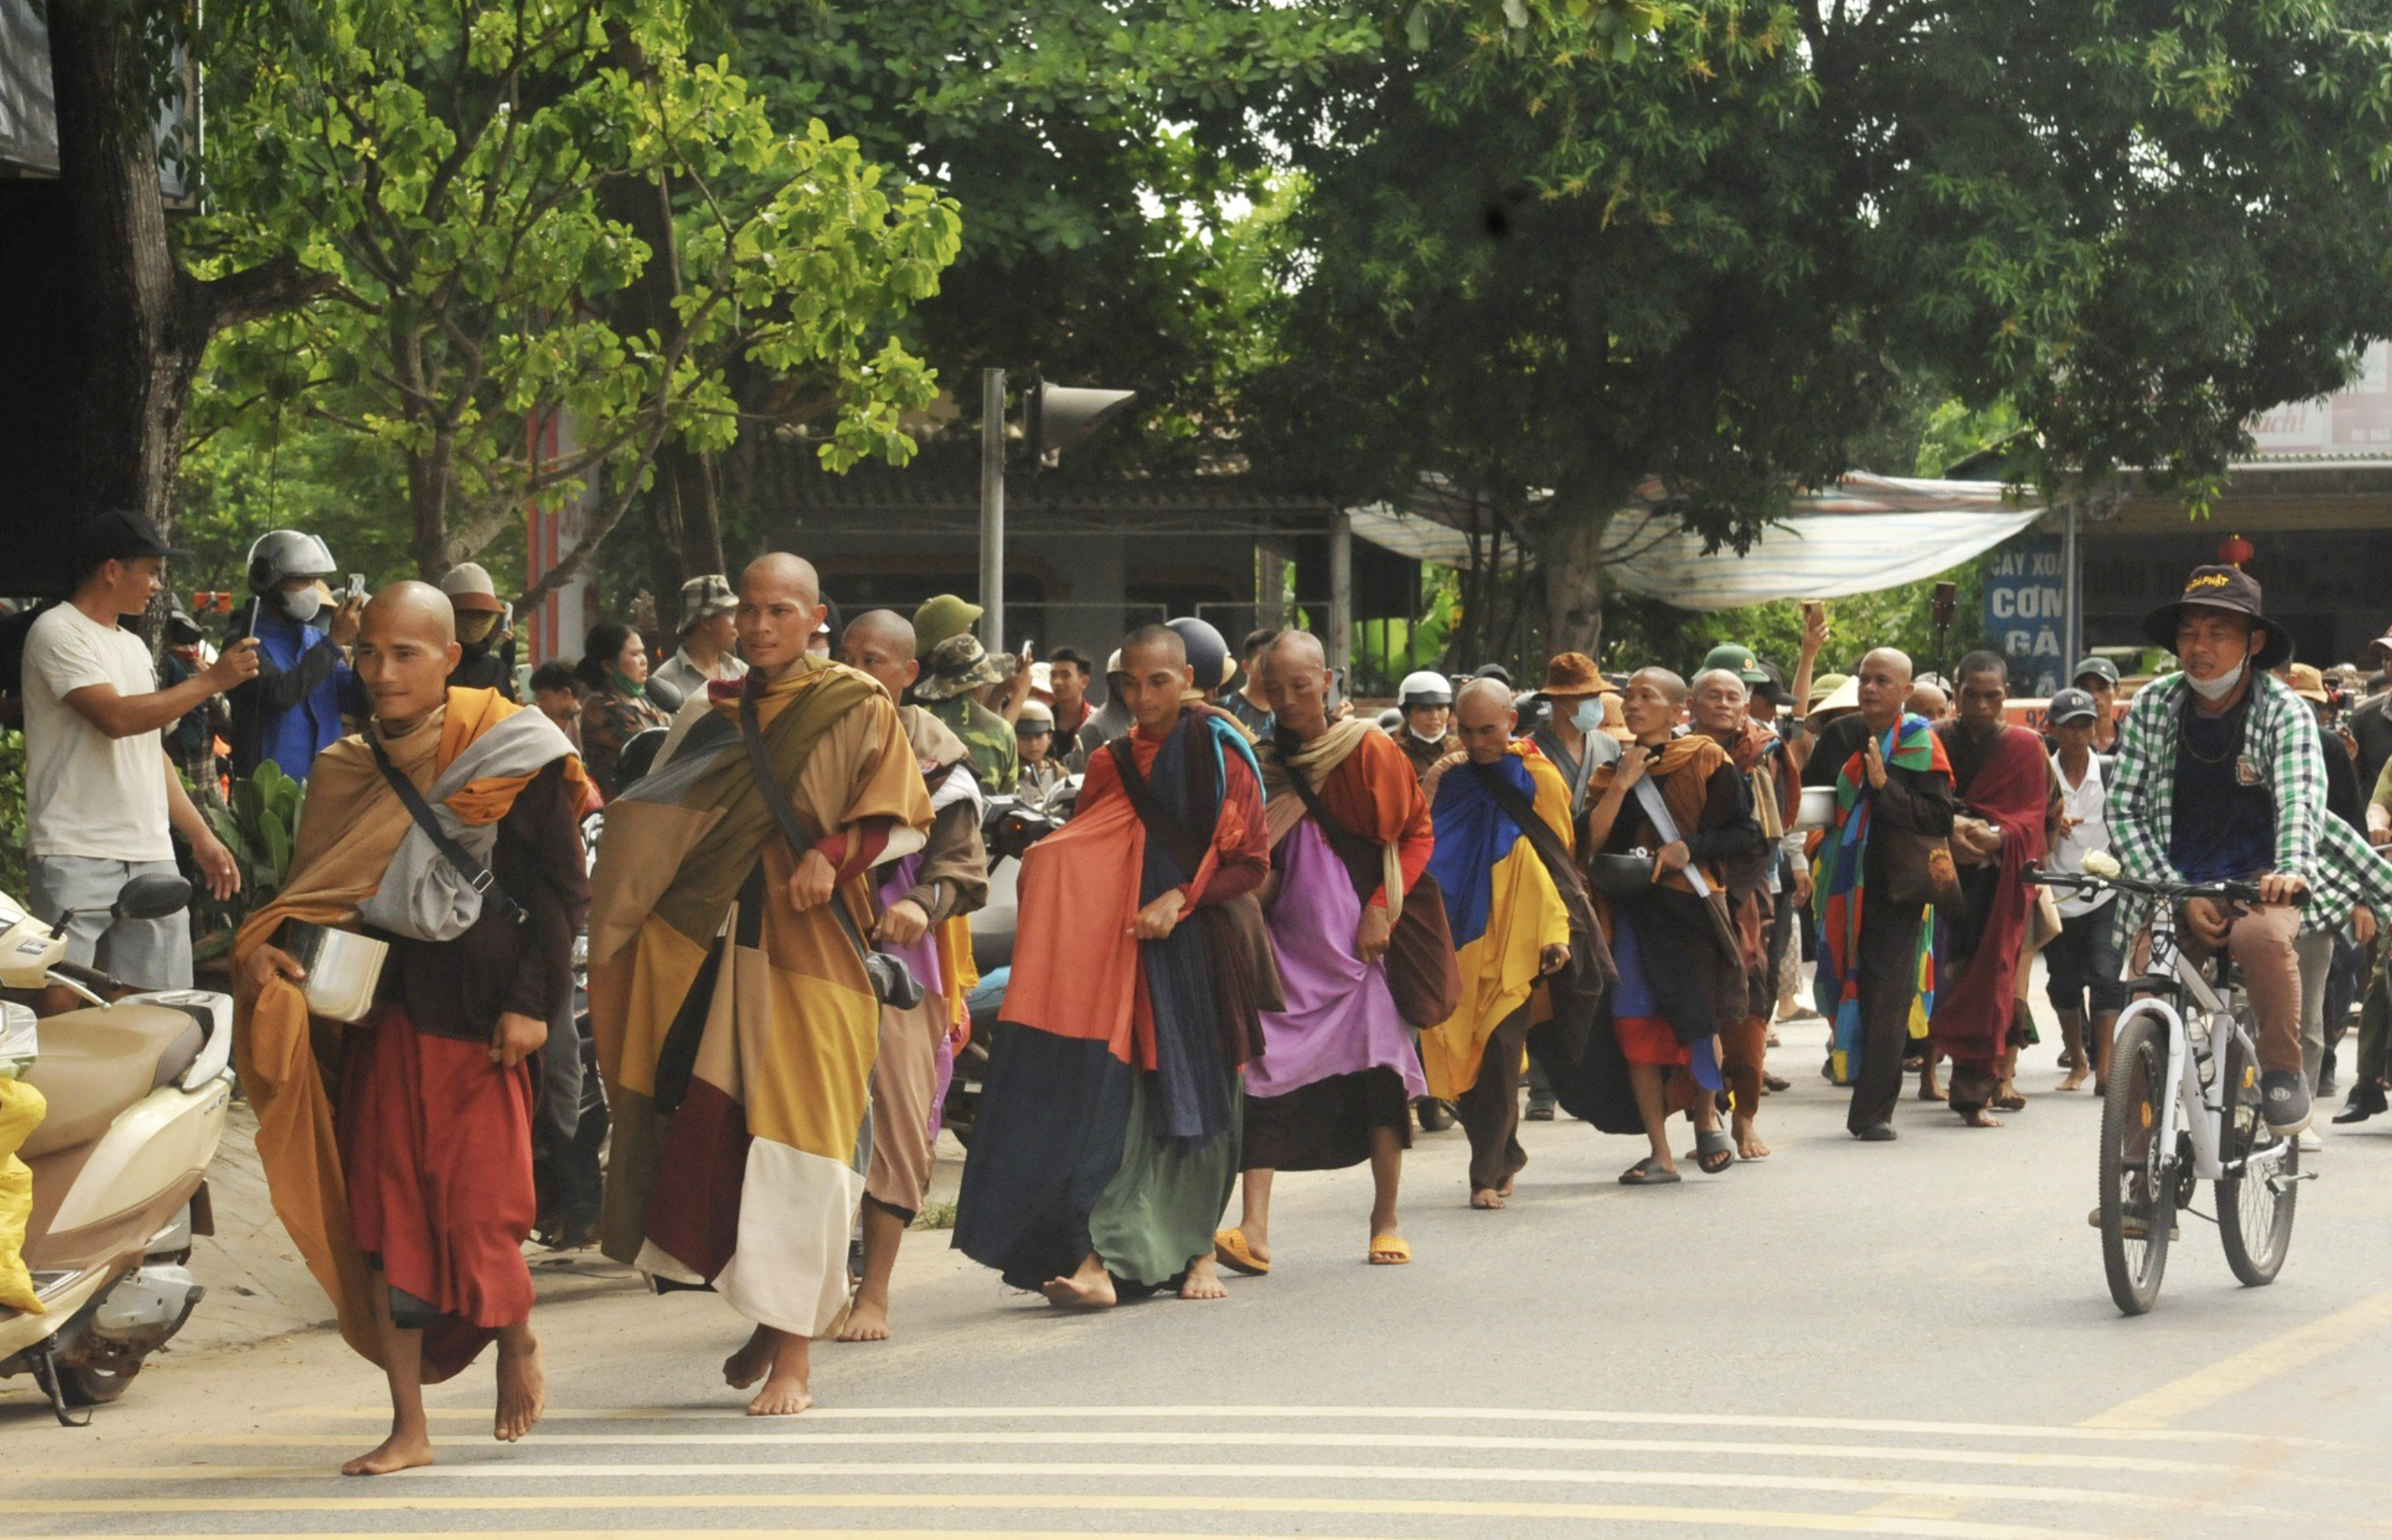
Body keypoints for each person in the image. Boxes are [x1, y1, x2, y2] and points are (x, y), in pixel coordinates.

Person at [234, 582, 588, 1475]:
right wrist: (273, 951)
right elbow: (318, 892)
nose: (383, 670)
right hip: (381, 1017)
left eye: (407, 653)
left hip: (482, 1019)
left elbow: (559, 893)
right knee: (385, 1223)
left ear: (449, 660)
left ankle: (515, 1337)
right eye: (370, 652)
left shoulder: (515, 748)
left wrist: (532, 1004)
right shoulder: (347, 767)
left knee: (480, 1209)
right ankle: (408, 1426)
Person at [590, 554, 933, 1416]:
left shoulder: (856, 703)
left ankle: (793, 1361)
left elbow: (899, 816)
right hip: (713, 947)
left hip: (815, 953)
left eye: (780, 608)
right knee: (723, 1134)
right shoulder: (708, 714)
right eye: (748, 609)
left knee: (805, 1143)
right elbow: (654, 813)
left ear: (815, 615)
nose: (760, 623)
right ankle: (768, 1321)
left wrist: (829, 855)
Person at [953, 624, 1270, 1306]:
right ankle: (1100, 1259)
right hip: (1126, 954)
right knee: (1127, 1102)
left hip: (1203, 947)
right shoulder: (1110, 761)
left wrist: (1180, 900)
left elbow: (1251, 864)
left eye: (1161, 680)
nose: (1146, 694)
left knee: (1208, 1100)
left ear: (1187, 679)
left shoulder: (1222, 751)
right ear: (1118, 687)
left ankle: (1195, 1252)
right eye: (1133, 683)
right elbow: (1098, 848)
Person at [2107, 566, 2392, 1138]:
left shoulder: (2284, 712)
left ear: (2254, 643)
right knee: (2146, 998)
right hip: (2175, 882)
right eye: (2189, 632)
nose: (2200, 647)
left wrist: (2289, 871)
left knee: (2261, 939)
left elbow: (2300, 804)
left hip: (2263, 881)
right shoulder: (2153, 706)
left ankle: (2284, 1075)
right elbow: (2124, 810)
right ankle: (2137, 1171)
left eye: (2218, 632)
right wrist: (2177, 892)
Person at [1217, 631, 1440, 1275]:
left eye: (1301, 684)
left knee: (1379, 1083)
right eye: (1275, 687)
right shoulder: (1261, 759)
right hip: (1286, 947)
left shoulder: (1367, 747)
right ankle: (1253, 1228)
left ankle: (1385, 1220)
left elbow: (1416, 835)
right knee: (1265, 1077)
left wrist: (1379, 910)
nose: (1289, 700)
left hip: (1360, 951)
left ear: (1329, 679)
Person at [836, 609, 988, 1343]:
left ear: (908, 674)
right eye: (847, 657)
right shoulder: (802, 739)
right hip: (809, 954)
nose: (860, 671)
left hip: (902, 970)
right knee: (798, 1127)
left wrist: (923, 904)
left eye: (877, 661)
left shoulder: (935, 758)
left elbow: (961, 867)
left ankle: (876, 1293)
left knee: (894, 1123)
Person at [24, 509, 254, 989]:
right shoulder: (56, 630)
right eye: (151, 571)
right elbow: (116, 719)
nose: (156, 585)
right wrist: (212, 681)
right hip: (74, 849)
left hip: (151, 851)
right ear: (112, 570)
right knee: (66, 1004)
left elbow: (151, 753)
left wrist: (200, 835)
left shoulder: (132, 646)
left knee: (157, 1005)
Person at [1420, 680, 1596, 1208]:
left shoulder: (1538, 777)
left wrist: (1556, 933)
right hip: (1455, 932)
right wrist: (1430, 783)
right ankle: (1507, 1152)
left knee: (1499, 1049)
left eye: (1487, 730)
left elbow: (1556, 859)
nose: (1476, 742)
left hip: (1519, 932)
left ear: (1511, 723)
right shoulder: (1450, 780)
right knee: (1465, 1050)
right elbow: (1419, 841)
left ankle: (1485, 1174)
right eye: (1466, 731)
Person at [1581, 670, 1761, 1183]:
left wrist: (1691, 848)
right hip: (1634, 915)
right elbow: (1590, 842)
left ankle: (1707, 1118)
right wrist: (1622, 782)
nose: (1633, 706)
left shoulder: (1706, 759)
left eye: (1647, 697)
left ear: (1677, 710)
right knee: (1634, 1024)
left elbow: (1745, 833)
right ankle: (1660, 1153)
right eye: (1629, 697)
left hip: (1690, 910)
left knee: (1698, 1017)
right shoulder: (1614, 767)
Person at [1805, 648, 1956, 1141]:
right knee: (1847, 982)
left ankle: (1872, 1112)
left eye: (1882, 681)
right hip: (1844, 885)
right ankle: (1848, 1065)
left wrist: (1883, 786)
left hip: (1897, 889)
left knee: (1888, 997)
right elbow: (1812, 801)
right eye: (1864, 679)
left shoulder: (1919, 742)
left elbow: (1938, 818)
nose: (1869, 688)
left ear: (1905, 691)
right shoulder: (1840, 735)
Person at [1926, 653, 2049, 1127]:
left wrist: (1998, 837)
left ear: (2006, 693)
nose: (1980, 704)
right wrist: (1951, 825)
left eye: (1991, 695)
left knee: (1990, 982)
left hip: (1994, 880)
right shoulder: (1935, 738)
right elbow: (1919, 799)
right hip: (1937, 872)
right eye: (1970, 694)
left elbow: (2032, 815)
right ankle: (1919, 1074)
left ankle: (1974, 1091)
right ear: (1955, 692)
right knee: (1941, 976)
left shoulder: (2023, 745)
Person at [1686, 666, 1790, 1159]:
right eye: (1713, 696)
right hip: (1684, 891)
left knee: (1749, 1001)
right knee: (1694, 1004)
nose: (1724, 704)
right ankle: (1703, 1115)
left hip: (1749, 895)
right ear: (1691, 704)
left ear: (1746, 707)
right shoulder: (1674, 752)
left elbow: (1768, 830)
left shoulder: (1761, 753)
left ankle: (1745, 1117)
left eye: (1733, 697)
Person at [227, 528, 362, 780]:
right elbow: (280, 693)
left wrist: (368, 648)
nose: (311, 590)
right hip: (268, 794)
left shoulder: (316, 639)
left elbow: (354, 699)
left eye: (314, 581)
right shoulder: (244, 640)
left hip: (324, 787)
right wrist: (335, 642)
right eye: (302, 581)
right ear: (268, 580)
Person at [2043, 688, 2125, 1095]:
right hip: (2056, 895)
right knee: (2064, 984)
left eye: (2086, 725)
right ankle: (2077, 1059)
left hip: (2105, 895)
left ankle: (2106, 1069)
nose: (2079, 735)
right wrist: (2049, 825)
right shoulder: (2042, 773)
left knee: (2107, 977)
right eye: (2071, 727)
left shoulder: (2111, 772)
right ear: (2053, 729)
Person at [912, 624, 1020, 794]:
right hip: (983, 819)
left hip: (921, 819)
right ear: (979, 686)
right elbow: (1007, 798)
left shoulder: (915, 722)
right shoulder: (1002, 730)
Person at [575, 619, 671, 801]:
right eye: (634, 654)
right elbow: (653, 747)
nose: (644, 660)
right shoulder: (599, 708)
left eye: (643, 653)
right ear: (608, 666)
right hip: (625, 808)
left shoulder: (648, 700)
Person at [1527, 652, 1623, 816]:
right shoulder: (1528, 750)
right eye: (1587, 696)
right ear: (1558, 699)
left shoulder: (1609, 745)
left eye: (1597, 695)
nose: (1596, 702)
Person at [651, 574, 748, 701]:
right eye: (730, 614)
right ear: (706, 621)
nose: (737, 623)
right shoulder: (666, 680)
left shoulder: (740, 670)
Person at [439, 563, 517, 699]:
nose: (473, 622)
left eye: (481, 614)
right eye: (465, 613)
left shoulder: (496, 669)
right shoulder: (431, 664)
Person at [1391, 671, 1458, 781]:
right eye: (1424, 709)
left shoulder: (1463, 749)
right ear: (1406, 712)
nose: (1434, 716)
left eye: (1441, 707)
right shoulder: (1394, 753)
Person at [1045, 647, 1097, 768]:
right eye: (1053, 675)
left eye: (1065, 676)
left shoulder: (1095, 723)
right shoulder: (1044, 720)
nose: (1057, 682)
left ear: (1084, 682)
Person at [1223, 628, 1278, 737]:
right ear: (1246, 666)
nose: (1273, 670)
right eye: (1265, 664)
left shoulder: (1284, 711)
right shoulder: (1225, 710)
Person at [2069, 657, 2123, 755]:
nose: (2094, 696)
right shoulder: (2067, 741)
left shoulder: (2132, 739)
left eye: (2102, 688)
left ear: (2117, 692)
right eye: (2086, 689)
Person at [1015, 699, 1068, 799]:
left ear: (1050, 737)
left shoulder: (1059, 773)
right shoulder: (1008, 775)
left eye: (1039, 736)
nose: (1033, 744)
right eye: (1024, 738)